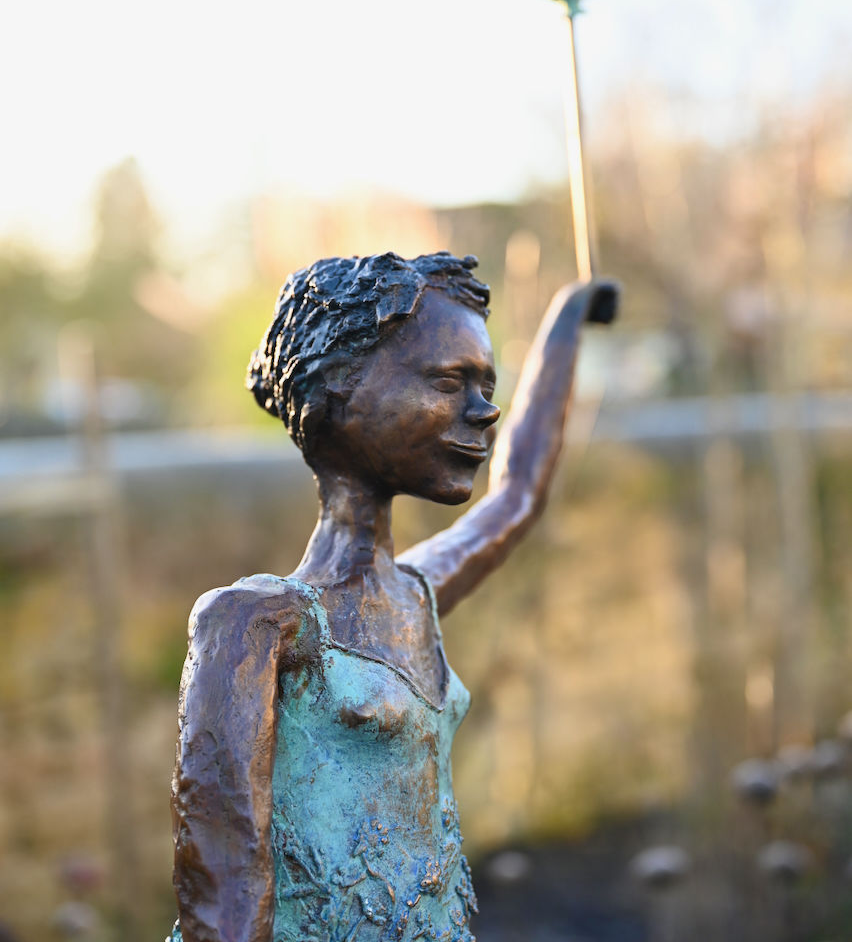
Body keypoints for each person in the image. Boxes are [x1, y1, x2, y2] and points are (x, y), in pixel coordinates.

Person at [170, 251, 616, 942]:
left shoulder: (415, 596)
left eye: (488, 385)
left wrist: (568, 317)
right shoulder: (257, 622)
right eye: (449, 381)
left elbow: (519, 494)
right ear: (337, 390)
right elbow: (221, 904)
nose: (484, 410)